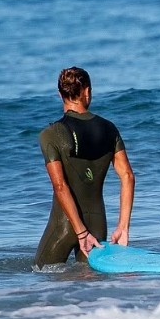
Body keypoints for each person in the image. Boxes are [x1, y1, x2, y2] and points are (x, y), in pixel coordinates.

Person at [35, 67, 135, 268]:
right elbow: (128, 176)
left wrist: (80, 232)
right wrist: (123, 227)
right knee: (91, 291)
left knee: (41, 277)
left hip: (64, 225)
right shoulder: (109, 129)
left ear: (60, 95)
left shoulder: (51, 134)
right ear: (87, 92)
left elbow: (60, 186)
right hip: (98, 224)